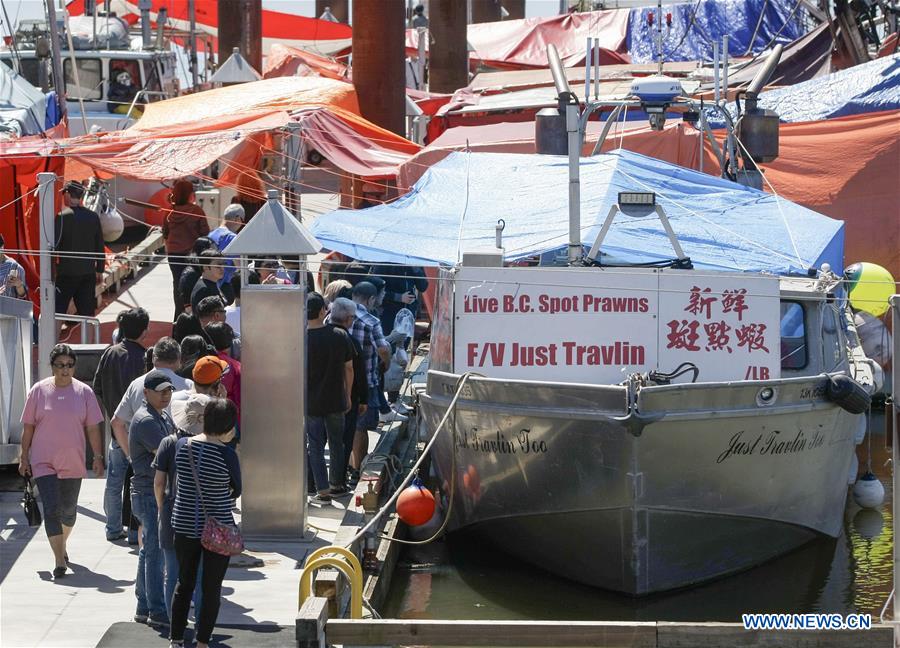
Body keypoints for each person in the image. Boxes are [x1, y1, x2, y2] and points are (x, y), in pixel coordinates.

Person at [19, 344, 105, 579]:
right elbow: (28, 428)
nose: (65, 370)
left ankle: (61, 544)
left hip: (73, 460)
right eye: (60, 365)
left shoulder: (84, 392)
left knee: (68, 511)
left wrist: (97, 457)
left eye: (69, 365)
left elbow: (93, 428)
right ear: (52, 366)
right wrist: (24, 456)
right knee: (52, 509)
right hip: (43, 460)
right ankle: (59, 560)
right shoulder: (38, 391)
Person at [169, 398, 241, 648]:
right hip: (218, 527)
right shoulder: (227, 454)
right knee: (211, 588)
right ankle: (202, 641)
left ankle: (176, 639)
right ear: (228, 427)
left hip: (184, 523)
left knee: (184, 583)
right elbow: (237, 489)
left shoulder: (181, 446)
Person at [93, 307, 150, 542]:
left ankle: (112, 527)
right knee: (140, 482)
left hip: (116, 430)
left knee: (114, 482)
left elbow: (97, 387)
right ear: (145, 331)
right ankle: (136, 534)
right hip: (139, 433)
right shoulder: (145, 358)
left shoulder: (110, 354)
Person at [153, 393, 209, 621]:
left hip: (173, 511)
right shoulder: (211, 444)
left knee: (173, 573)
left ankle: (173, 623)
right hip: (203, 515)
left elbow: (159, 483)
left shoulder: (169, 443)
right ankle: (201, 628)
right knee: (201, 575)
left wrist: (161, 507)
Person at [129, 371, 177, 628]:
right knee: (155, 552)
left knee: (149, 550)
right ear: (146, 393)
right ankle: (157, 610)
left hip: (151, 490)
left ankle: (144, 606)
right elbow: (167, 455)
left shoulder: (162, 415)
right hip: (149, 492)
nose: (166, 395)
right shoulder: (147, 420)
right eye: (161, 391)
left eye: (168, 390)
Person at [306, 292, 354, 503]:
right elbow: (349, 368)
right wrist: (348, 394)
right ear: (323, 311)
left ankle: (322, 491)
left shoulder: (300, 338)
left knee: (315, 445)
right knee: (337, 443)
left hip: (310, 401)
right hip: (335, 398)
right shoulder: (339, 335)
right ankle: (337, 485)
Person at [348, 282, 392, 477]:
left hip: (341, 381)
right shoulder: (371, 321)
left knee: (344, 426)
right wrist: (386, 363)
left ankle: (347, 466)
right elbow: (383, 349)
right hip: (365, 381)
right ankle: (357, 469)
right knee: (361, 427)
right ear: (371, 299)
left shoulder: (335, 313)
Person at [329, 297, 368, 489]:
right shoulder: (349, 341)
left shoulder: (312, 335)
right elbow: (357, 372)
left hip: (315, 399)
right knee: (343, 441)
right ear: (348, 319)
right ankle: (338, 481)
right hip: (346, 399)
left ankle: (314, 483)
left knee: (318, 443)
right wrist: (362, 399)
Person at [55, 181, 105, 316]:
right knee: (87, 314)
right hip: (88, 272)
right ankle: (88, 338)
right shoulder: (93, 216)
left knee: (58, 311)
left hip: (66, 273)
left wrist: (52, 271)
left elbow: (54, 246)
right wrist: (100, 269)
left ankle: (53, 338)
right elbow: (99, 244)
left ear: (68, 194)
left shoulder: (62, 217)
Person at [162, 180, 210, 320]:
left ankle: (179, 317)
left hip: (174, 255)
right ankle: (194, 317)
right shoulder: (197, 211)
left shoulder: (169, 213)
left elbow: (165, 234)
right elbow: (205, 234)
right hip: (192, 255)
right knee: (193, 285)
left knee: (178, 285)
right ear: (190, 194)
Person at [205, 322, 241, 434]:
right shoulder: (236, 366)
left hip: (203, 418)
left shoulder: (202, 362)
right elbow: (240, 400)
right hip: (230, 422)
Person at [373, 264, 428, 336]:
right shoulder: (385, 262)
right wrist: (399, 297)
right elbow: (376, 289)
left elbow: (423, 287)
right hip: (388, 312)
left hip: (408, 312)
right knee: (389, 342)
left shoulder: (415, 263)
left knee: (404, 342)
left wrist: (416, 269)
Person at [176, 236, 215, 315]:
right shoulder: (190, 272)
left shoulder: (203, 268)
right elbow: (185, 296)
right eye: (211, 249)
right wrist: (191, 312)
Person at [0, 232, 28, 299]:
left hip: (7, 307)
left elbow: (22, 296)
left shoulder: (15, 267)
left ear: (2, 247)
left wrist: (19, 285)